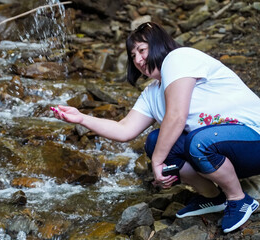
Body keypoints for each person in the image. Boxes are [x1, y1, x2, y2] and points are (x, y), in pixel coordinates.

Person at [51, 22, 260, 233]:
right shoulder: (152, 93)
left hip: (253, 140)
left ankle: (239, 199)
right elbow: (124, 130)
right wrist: (81, 119)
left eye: (142, 50)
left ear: (159, 44)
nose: (138, 60)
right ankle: (214, 197)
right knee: (155, 141)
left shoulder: (179, 58)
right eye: (133, 56)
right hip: (221, 152)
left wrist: (157, 162)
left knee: (197, 142)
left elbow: (176, 117)